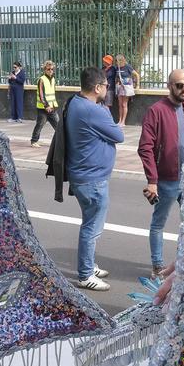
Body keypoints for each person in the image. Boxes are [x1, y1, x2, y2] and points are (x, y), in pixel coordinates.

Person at [139, 69, 184, 277]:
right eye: (179, 85)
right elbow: (145, 147)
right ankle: (158, 266)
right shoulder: (156, 110)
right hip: (166, 180)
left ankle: (180, 264)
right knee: (158, 223)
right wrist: (152, 180)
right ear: (169, 86)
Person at [64, 67, 124, 291]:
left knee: (90, 224)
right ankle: (86, 274)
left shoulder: (75, 102)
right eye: (106, 86)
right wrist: (106, 112)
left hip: (85, 176)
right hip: (92, 180)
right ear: (97, 87)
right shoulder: (94, 111)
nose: (108, 89)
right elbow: (119, 135)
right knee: (91, 227)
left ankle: (89, 264)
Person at [31, 60, 58, 147]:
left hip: (52, 107)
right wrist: (46, 105)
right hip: (43, 108)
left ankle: (61, 141)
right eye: (48, 69)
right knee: (40, 124)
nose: (50, 71)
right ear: (44, 70)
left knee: (58, 125)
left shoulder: (53, 79)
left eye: (52, 69)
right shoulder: (41, 80)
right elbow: (41, 94)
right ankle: (34, 141)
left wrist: (53, 105)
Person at [114, 54, 138, 126]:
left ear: (121, 60)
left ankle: (123, 122)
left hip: (126, 87)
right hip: (119, 87)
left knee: (124, 104)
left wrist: (137, 85)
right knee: (120, 104)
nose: (116, 62)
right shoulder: (117, 68)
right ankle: (120, 121)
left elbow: (136, 75)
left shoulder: (127, 67)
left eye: (117, 61)